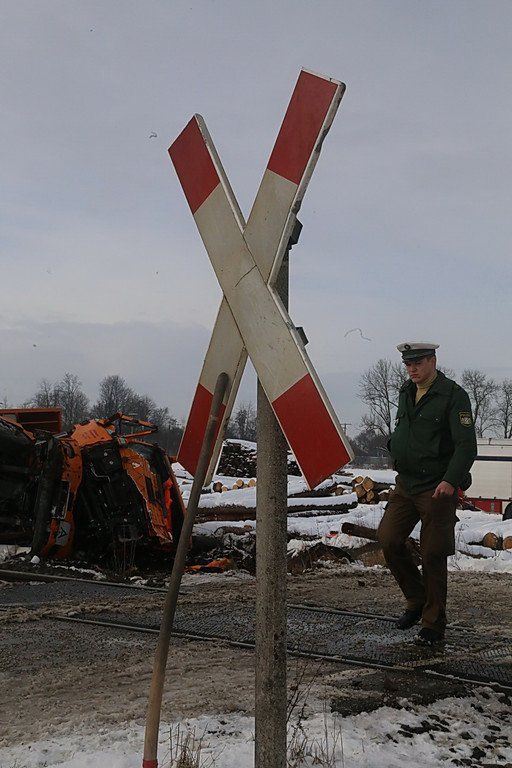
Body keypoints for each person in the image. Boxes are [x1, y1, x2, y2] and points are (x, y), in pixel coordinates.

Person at [378, 342, 477, 645]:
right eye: (408, 364)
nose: (412, 369)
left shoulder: (453, 395)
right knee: (388, 538)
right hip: (406, 484)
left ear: (433, 361)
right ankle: (417, 598)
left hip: (437, 486)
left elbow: (466, 446)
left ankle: (433, 624)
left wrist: (450, 480)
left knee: (433, 553)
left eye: (418, 363)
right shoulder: (406, 391)